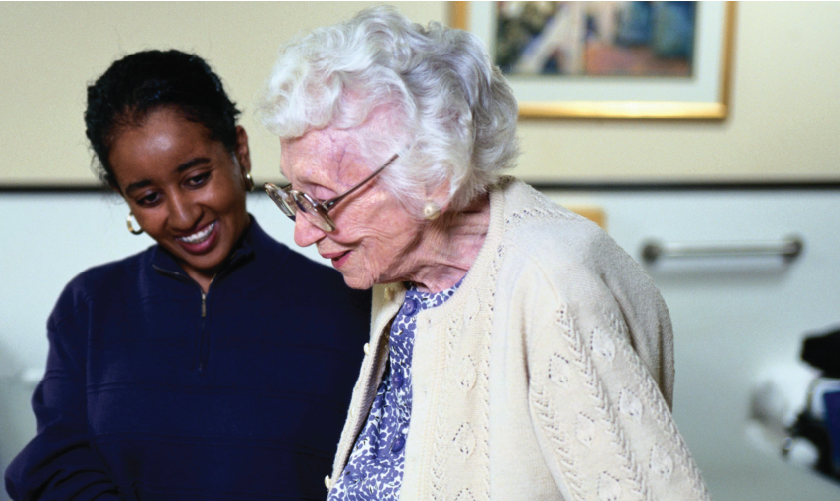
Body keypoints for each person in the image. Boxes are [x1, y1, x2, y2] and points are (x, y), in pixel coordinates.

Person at [257, 7, 710, 500]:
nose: (303, 232)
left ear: (433, 180)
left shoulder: (552, 289)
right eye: (295, 197)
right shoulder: (405, 271)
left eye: (322, 200)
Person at [5, 50, 372, 500]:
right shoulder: (90, 306)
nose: (182, 216)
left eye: (197, 178)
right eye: (148, 197)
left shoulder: (350, 306)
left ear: (240, 151)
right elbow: (55, 466)